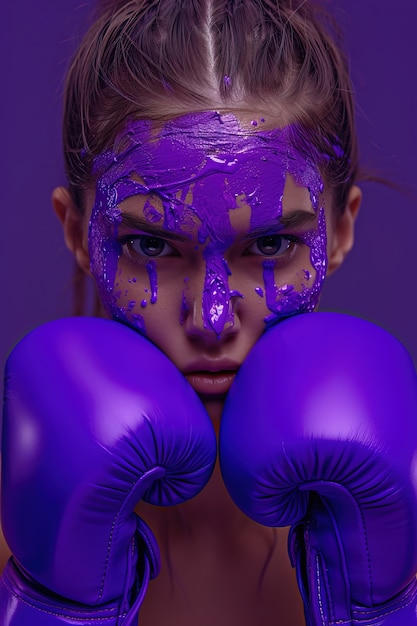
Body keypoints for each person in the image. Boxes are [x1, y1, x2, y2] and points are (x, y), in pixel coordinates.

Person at [0, 0, 364, 624]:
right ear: (79, 233)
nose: (214, 318)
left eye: (271, 245)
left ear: (339, 231)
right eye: (150, 246)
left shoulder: (398, 539)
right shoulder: (15, 544)